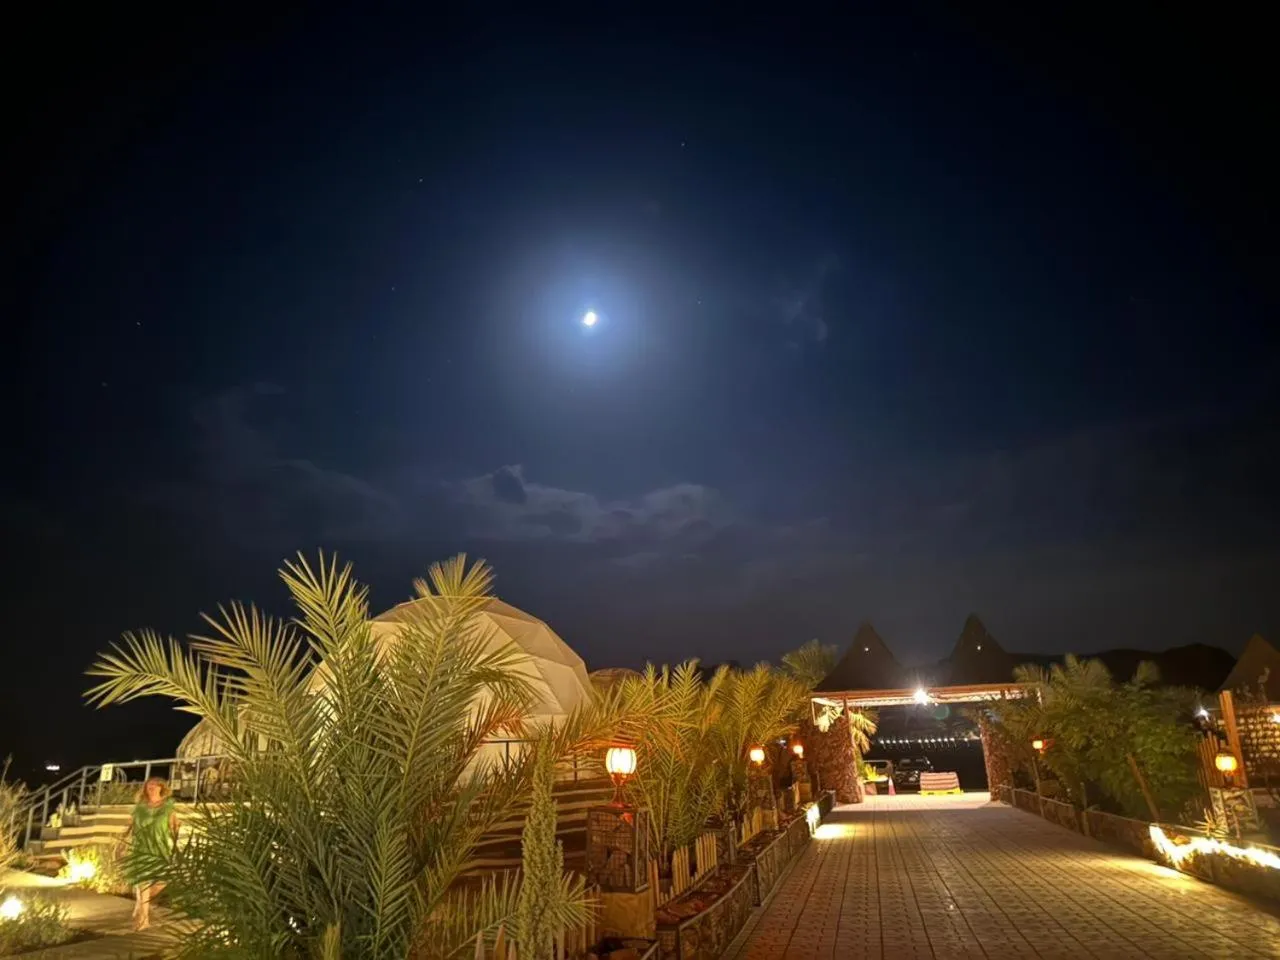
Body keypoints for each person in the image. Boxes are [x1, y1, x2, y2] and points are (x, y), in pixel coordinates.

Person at [116, 776, 179, 931]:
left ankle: (140, 904)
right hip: (141, 848)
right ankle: (143, 920)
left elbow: (175, 827)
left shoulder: (168, 808)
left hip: (159, 849)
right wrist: (120, 842)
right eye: (148, 786)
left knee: (162, 883)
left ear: (161, 788)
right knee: (143, 882)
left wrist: (176, 847)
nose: (150, 788)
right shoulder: (139, 808)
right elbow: (128, 826)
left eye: (154, 785)